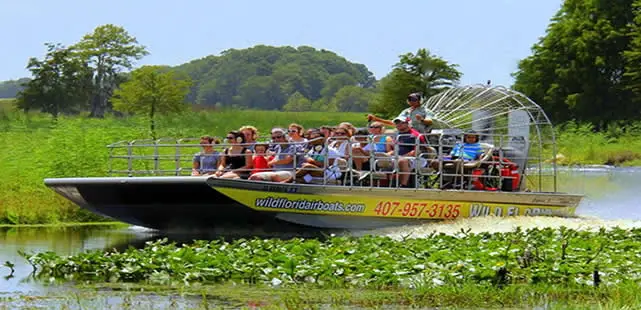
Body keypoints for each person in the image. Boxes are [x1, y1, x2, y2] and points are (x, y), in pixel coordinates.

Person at [367, 92, 435, 134]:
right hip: (404, 132)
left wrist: (422, 120)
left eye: (414, 100)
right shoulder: (406, 111)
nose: (412, 101)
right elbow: (394, 122)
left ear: (420, 100)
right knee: (384, 133)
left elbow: (430, 121)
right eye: (410, 99)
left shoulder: (425, 111)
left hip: (418, 134)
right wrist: (375, 119)